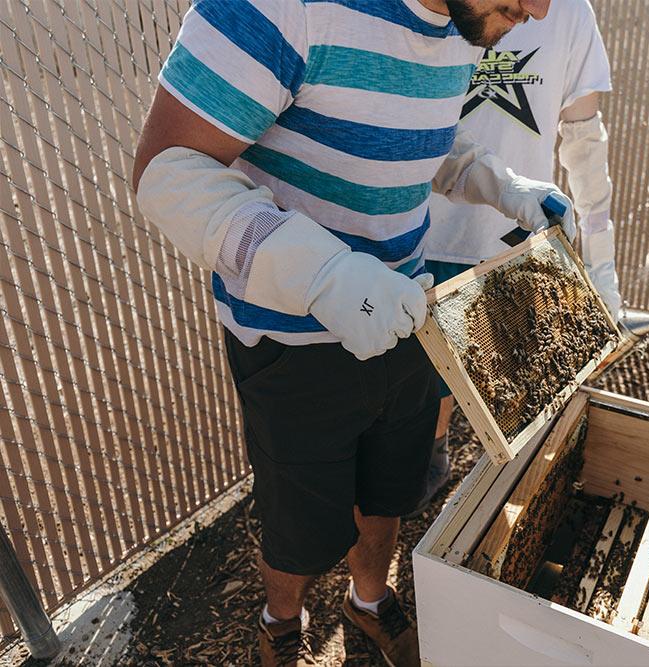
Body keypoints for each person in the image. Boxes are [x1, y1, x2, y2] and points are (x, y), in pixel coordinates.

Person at [129, 1, 576, 665]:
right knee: (300, 524)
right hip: (290, 347)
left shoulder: (466, 21)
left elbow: (425, 140)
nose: (539, 10)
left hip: (408, 315)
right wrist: (323, 275)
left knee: (391, 488)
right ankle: (282, 621)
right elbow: (165, 173)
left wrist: (501, 185)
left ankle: (368, 601)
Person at [412, 0, 621, 510]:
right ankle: (429, 454)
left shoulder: (567, 13)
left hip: (516, 240)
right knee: (418, 396)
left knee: (520, 395)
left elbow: (584, 142)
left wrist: (601, 265)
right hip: (416, 236)